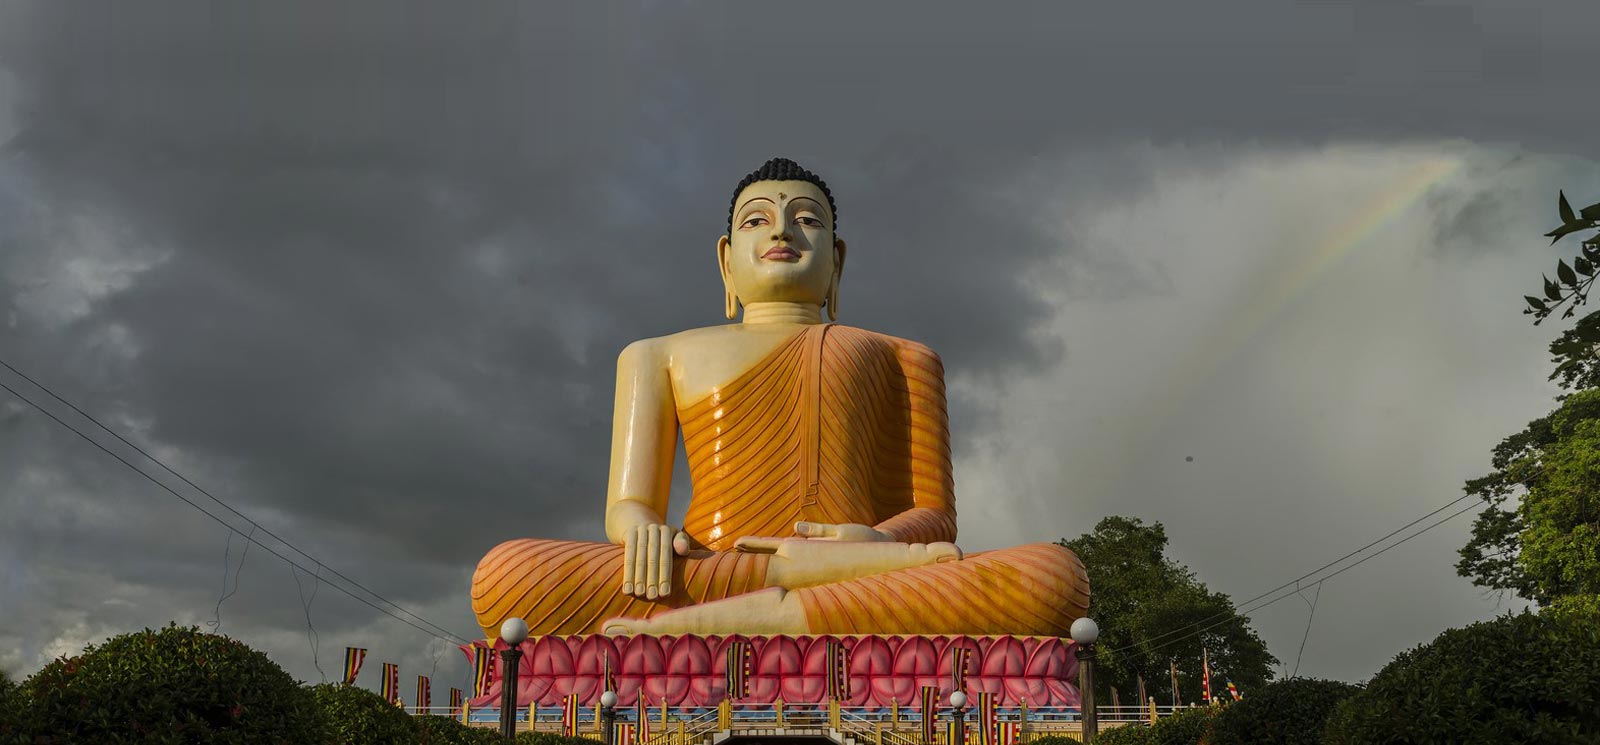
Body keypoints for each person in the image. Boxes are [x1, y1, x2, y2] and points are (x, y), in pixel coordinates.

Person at [471, 158, 1088, 638]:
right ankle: (791, 590)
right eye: (757, 219)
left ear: (838, 262)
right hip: (707, 570)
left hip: (863, 566)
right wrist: (641, 531)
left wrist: (874, 544)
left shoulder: (906, 356)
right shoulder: (656, 354)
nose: (783, 231)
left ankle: (721, 622)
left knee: (1052, 576)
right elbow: (630, 503)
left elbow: (936, 517)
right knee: (506, 575)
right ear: (725, 260)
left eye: (807, 219)